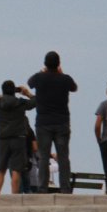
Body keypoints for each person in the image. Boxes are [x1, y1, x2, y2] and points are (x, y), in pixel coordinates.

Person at [27, 51, 78, 193]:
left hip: (43, 122)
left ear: (45, 64)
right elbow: (75, 88)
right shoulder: (65, 79)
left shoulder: (39, 78)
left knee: (43, 157)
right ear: (59, 64)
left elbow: (29, 82)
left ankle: (42, 188)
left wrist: (41, 71)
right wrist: (61, 74)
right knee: (63, 157)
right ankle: (65, 188)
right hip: (62, 122)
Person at [0, 80, 37, 194]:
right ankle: (14, 195)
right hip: (18, 139)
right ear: (14, 91)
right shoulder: (20, 102)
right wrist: (27, 94)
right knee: (16, 170)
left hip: (3, 139)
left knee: (1, 169)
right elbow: (35, 102)